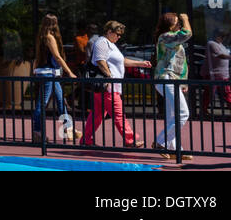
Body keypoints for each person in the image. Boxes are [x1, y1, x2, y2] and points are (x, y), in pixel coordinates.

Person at [80, 20, 151, 148]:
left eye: (120, 35)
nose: (119, 37)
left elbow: (122, 61)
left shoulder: (110, 44)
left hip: (106, 87)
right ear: (109, 32)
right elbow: (100, 61)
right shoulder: (102, 42)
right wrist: (110, 77)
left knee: (97, 115)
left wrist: (140, 63)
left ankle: (86, 139)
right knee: (118, 114)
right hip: (108, 87)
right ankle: (130, 140)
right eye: (117, 34)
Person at [151, 12, 193, 160]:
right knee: (183, 113)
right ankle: (160, 142)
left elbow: (178, 62)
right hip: (166, 79)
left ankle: (174, 148)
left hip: (172, 79)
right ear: (170, 25)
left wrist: (182, 82)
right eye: (177, 22)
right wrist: (186, 18)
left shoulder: (170, 38)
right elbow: (187, 33)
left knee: (173, 116)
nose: (180, 24)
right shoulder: (165, 36)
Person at [31, 13, 78, 143]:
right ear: (54, 24)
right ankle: (37, 132)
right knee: (42, 103)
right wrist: (69, 72)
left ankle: (68, 129)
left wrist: (34, 71)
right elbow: (57, 57)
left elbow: (37, 57)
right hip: (49, 73)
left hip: (47, 73)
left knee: (60, 100)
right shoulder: (49, 37)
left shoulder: (41, 37)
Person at [200, 30, 231, 118]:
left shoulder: (222, 45)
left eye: (224, 36)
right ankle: (203, 110)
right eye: (221, 36)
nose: (222, 38)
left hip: (223, 74)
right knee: (209, 93)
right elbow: (220, 55)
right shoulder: (211, 43)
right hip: (212, 74)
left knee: (227, 92)